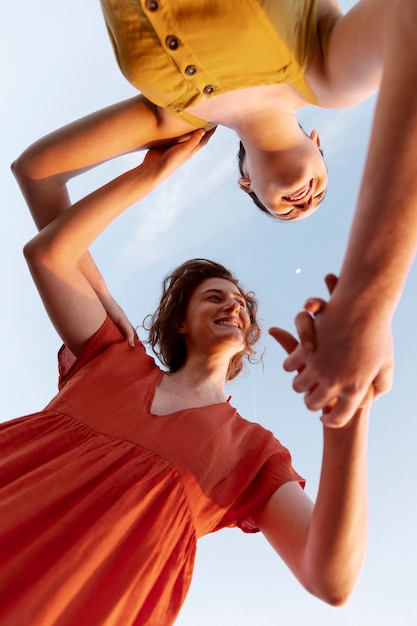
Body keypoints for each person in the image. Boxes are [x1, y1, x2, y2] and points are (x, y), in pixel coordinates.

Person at [2, 127, 371, 625]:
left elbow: (331, 579)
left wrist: (347, 412)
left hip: (75, 601)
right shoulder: (113, 356)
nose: (233, 306)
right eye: (215, 297)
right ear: (181, 321)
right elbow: (46, 252)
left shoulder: (252, 452)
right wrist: (152, 171)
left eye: (240, 303)